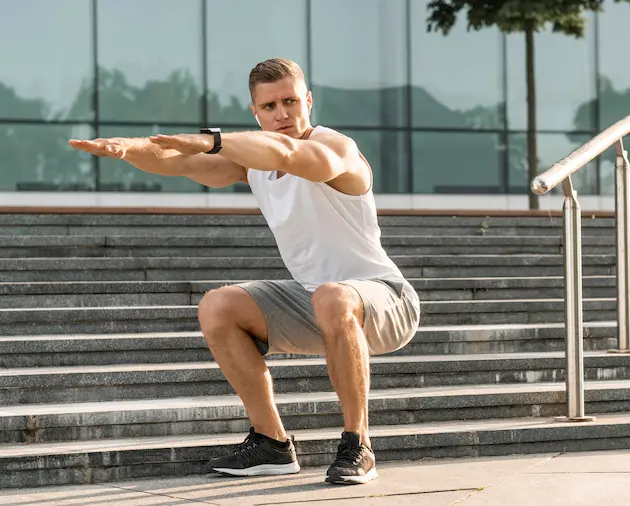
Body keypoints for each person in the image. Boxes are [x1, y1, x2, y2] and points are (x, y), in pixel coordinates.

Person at [69, 57, 420, 485]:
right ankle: (271, 443)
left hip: (385, 299)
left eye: (290, 101)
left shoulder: (335, 148)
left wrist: (211, 139)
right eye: (269, 106)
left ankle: (357, 444)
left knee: (334, 295)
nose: (282, 113)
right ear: (255, 113)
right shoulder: (253, 162)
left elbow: (289, 153)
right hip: (315, 300)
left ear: (308, 101)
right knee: (219, 305)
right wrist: (129, 148)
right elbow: (181, 162)